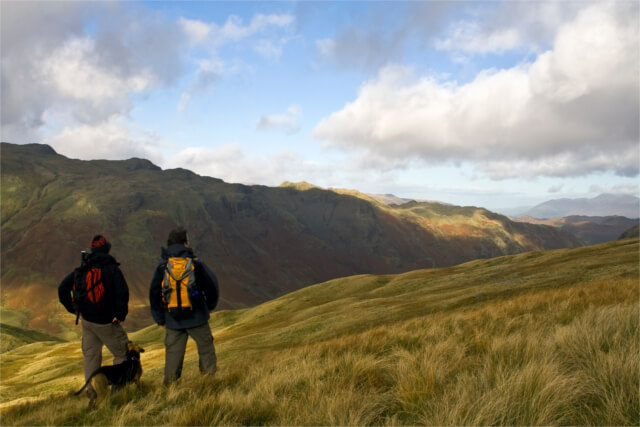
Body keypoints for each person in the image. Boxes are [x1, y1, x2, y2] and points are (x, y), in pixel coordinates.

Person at [58, 235, 130, 405]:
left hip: (87, 322)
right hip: (106, 322)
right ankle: (117, 394)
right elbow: (122, 293)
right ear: (107, 250)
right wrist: (120, 315)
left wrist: (74, 309)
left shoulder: (83, 268)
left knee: (91, 357)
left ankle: (93, 394)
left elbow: (62, 289)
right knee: (123, 354)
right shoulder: (112, 269)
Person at [149, 227, 219, 385]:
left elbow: (154, 294)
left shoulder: (163, 266)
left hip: (173, 320)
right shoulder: (195, 264)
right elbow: (211, 286)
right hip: (197, 317)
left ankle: (171, 389)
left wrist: (160, 319)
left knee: (173, 355)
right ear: (185, 242)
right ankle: (209, 383)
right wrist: (209, 307)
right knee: (206, 349)